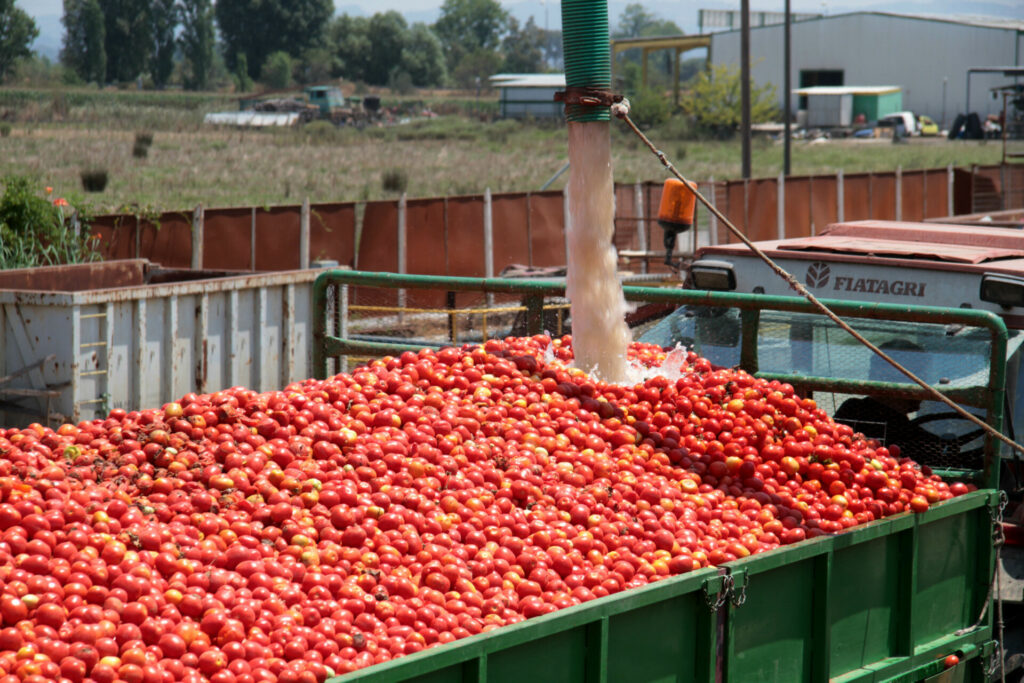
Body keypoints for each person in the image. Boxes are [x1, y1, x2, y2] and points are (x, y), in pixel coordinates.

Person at [833, 339, 945, 461]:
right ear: (904, 380)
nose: (925, 384)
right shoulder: (917, 439)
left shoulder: (852, 409)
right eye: (921, 377)